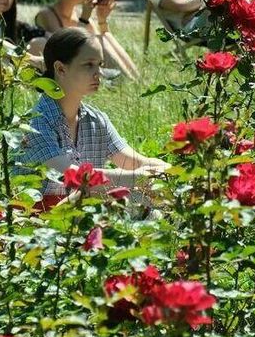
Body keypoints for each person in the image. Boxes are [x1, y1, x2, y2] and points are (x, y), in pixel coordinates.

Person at [18, 28, 170, 209]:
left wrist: (167, 171)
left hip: (78, 211)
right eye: (89, 65)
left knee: (147, 198)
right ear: (60, 69)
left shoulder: (96, 120)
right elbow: (74, 177)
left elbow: (133, 161)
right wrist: (139, 178)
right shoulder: (36, 122)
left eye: (100, 64)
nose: (98, 73)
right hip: (36, 220)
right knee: (136, 197)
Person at [37, 0, 139, 80]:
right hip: (68, 74)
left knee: (103, 37)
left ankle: (136, 79)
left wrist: (102, 20)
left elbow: (104, 42)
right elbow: (65, 49)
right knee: (98, 40)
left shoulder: (79, 14)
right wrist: (84, 19)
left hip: (87, 69)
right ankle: (128, 81)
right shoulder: (47, 15)